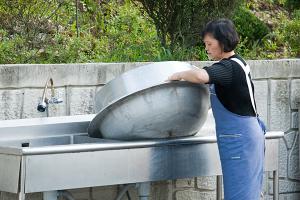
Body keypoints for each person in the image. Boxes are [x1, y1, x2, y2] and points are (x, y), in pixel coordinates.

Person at [168, 18, 266, 200]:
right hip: (242, 137)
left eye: (210, 44)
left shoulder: (229, 67)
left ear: (223, 41)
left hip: (240, 140)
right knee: (245, 193)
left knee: (241, 195)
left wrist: (179, 74)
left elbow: (200, 76)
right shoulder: (236, 64)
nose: (207, 48)